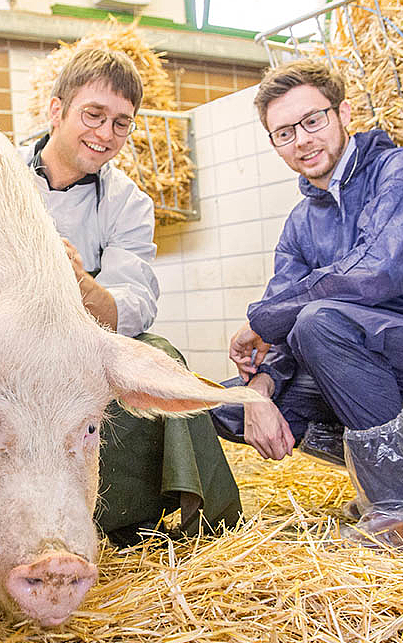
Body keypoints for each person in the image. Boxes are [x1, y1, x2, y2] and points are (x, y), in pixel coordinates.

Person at [209, 59, 403, 555]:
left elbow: (376, 272)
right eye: (284, 133)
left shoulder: (402, 174)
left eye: (312, 120)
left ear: (344, 113)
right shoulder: (300, 223)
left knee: (322, 321)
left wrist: (262, 321)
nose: (302, 140)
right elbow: (286, 324)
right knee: (228, 406)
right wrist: (261, 387)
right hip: (387, 370)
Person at [20, 48, 241, 546]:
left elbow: (136, 302)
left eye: (121, 124)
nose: (105, 135)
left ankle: (203, 528)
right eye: (93, 116)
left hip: (84, 338)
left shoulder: (128, 202)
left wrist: (77, 281)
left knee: (162, 355)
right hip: (13, 337)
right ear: (56, 111)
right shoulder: (2, 175)